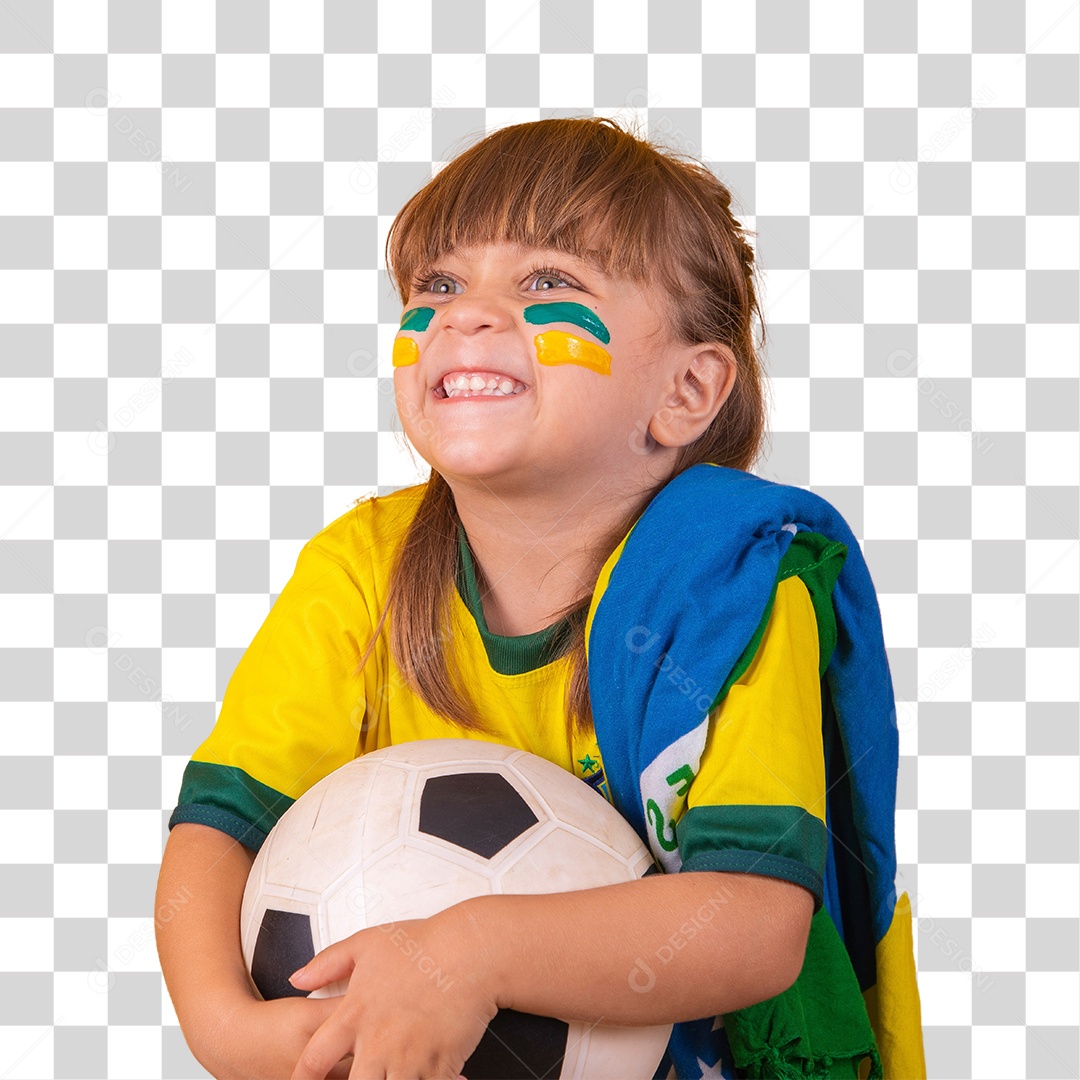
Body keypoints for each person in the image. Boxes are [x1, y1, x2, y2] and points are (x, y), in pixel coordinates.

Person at [156, 117, 924, 1080]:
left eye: (549, 282)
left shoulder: (729, 586)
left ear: (688, 390)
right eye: (438, 283)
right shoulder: (361, 568)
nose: (465, 315)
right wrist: (224, 1028)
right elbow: (220, 827)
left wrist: (470, 954)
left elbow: (756, 923)